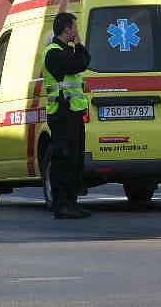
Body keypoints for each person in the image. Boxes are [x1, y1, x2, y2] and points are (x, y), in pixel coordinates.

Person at [42, 12, 91, 219]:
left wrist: (77, 48)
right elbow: (80, 63)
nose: (77, 31)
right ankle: (61, 204)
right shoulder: (53, 53)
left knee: (75, 159)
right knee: (63, 159)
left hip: (72, 112)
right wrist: (79, 45)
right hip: (62, 114)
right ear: (66, 29)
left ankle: (71, 203)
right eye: (74, 27)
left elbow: (81, 62)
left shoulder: (65, 51)